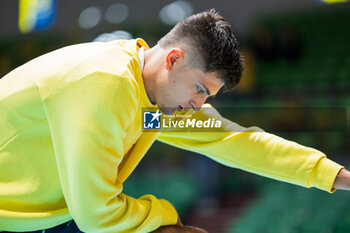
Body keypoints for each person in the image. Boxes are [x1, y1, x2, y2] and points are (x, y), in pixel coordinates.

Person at [0, 9, 349, 233]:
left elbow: (236, 140)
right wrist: (167, 219)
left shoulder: (157, 106)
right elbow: (96, 215)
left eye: (207, 96)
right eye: (199, 89)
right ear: (173, 59)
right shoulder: (105, 84)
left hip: (51, 215)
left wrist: (334, 175)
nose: (198, 105)